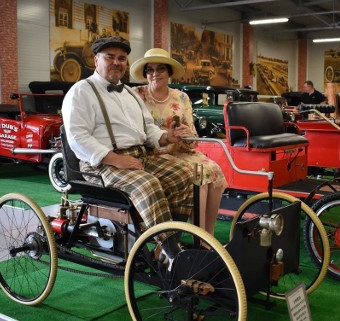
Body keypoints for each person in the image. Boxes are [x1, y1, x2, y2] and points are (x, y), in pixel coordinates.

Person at [61, 36, 194, 230]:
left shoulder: (131, 94)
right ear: (96, 60)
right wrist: (115, 159)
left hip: (139, 156)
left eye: (122, 58)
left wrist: (166, 137)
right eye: (110, 57)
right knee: (147, 185)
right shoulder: (81, 91)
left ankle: (168, 237)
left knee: (184, 175)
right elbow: (78, 137)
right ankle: (171, 249)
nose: (117, 62)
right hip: (101, 165)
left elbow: (147, 126)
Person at [131, 48, 228, 236]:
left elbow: (192, 137)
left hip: (181, 152)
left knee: (214, 169)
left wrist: (185, 134)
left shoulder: (181, 97)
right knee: (199, 174)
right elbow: (136, 133)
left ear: (169, 72)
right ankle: (199, 237)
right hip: (153, 154)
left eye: (160, 69)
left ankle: (209, 234)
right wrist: (166, 133)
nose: (154, 74)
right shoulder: (136, 95)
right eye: (150, 70)